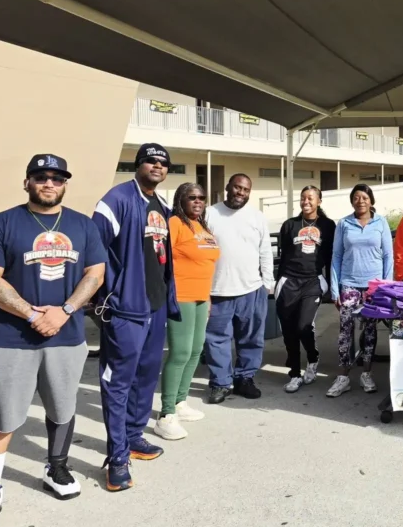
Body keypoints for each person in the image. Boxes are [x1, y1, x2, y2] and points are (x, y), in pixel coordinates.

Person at [0, 154, 106, 527]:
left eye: (57, 178)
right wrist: (31, 314)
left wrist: (66, 310)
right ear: (27, 182)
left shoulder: (82, 225)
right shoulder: (2, 223)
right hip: (13, 338)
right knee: (0, 415)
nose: (49, 183)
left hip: (67, 334)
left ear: (64, 184)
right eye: (41, 177)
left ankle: (55, 466)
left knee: (62, 407)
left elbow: (96, 272)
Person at [93, 143, 181, 492]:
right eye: (151, 161)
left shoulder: (161, 205)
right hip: (126, 309)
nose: (157, 167)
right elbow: (93, 248)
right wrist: (104, 296)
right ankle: (116, 457)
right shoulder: (116, 199)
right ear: (138, 164)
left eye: (163, 163)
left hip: (155, 306)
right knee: (118, 383)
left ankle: (133, 437)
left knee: (146, 377)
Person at [153, 182, 219, 440]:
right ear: (181, 199)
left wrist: (209, 297)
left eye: (201, 197)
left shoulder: (202, 227)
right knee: (179, 353)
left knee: (195, 351)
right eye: (191, 197)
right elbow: (161, 260)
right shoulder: (174, 224)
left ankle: (180, 402)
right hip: (181, 296)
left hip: (202, 297)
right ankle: (166, 413)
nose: (197, 201)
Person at [202, 174, 275, 405]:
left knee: (251, 339)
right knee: (216, 340)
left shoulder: (256, 217)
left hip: (251, 290)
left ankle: (245, 378)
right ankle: (221, 383)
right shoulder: (210, 214)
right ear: (227, 187)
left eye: (245, 189)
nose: (240, 193)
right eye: (236, 187)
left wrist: (267, 284)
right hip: (218, 290)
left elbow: (265, 251)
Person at [328, 184, 393, 397]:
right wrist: (335, 288)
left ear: (371, 200)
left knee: (370, 331)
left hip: (373, 287)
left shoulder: (380, 222)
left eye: (364, 197)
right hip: (349, 284)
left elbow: (387, 256)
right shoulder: (344, 223)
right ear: (352, 201)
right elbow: (336, 256)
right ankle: (343, 376)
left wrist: (386, 287)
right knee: (345, 330)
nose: (360, 201)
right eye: (356, 197)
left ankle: (366, 373)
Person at [276, 185, 336, 394]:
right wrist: (278, 282)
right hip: (288, 282)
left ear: (319, 201)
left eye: (310, 198)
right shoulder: (289, 225)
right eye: (303, 198)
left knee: (303, 325)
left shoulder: (328, 226)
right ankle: (294, 373)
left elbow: (331, 257)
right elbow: (283, 256)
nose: (306, 201)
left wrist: (331, 285)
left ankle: (312, 357)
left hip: (313, 281)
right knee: (289, 330)